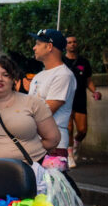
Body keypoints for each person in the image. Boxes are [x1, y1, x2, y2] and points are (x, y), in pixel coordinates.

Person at [0, 55, 59, 169]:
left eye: (6, 75)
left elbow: (53, 139)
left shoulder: (33, 103)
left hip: (30, 173)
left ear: (14, 79)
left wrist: (32, 153)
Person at [28, 28, 77, 167]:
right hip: (34, 143)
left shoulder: (63, 75)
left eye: (38, 43)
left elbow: (46, 111)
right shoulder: (39, 76)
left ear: (49, 46)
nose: (34, 47)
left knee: (52, 187)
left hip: (54, 145)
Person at [64, 35, 100, 165]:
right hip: (66, 99)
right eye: (69, 42)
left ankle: (76, 144)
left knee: (83, 130)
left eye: (74, 42)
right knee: (68, 128)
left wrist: (94, 91)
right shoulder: (61, 61)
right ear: (65, 45)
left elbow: (88, 81)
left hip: (80, 99)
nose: (72, 44)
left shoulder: (84, 62)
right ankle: (69, 155)